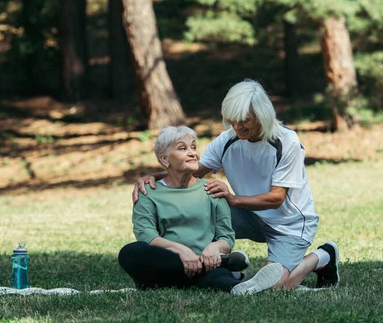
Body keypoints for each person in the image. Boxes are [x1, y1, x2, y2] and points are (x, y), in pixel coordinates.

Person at [133, 79, 340, 290]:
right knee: (201, 211)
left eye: (243, 120)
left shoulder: (287, 142)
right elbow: (194, 169)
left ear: (262, 115)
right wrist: (154, 176)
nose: (236, 126)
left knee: (273, 287)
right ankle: (223, 265)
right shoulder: (228, 140)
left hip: (289, 224)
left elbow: (277, 198)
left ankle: (323, 257)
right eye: (231, 120)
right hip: (247, 215)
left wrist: (233, 199)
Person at [119, 125, 284, 294]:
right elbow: (146, 235)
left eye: (193, 147)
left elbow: (226, 237)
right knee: (130, 252)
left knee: (220, 280)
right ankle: (226, 268)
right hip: (166, 264)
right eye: (183, 148)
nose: (192, 153)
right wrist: (182, 251)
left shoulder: (212, 190)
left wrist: (214, 248)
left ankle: (241, 287)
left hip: (207, 263)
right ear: (164, 159)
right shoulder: (148, 192)